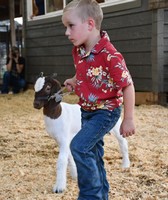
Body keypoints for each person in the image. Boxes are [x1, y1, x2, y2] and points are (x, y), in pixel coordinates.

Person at [62, 0, 135, 199]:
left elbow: (128, 85)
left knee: (78, 146)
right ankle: (101, 194)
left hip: (106, 111)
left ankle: (90, 195)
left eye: (71, 26)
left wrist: (128, 119)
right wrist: (74, 80)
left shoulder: (110, 55)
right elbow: (85, 72)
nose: (67, 32)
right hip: (87, 111)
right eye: (65, 27)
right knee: (93, 154)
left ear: (90, 24)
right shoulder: (80, 50)